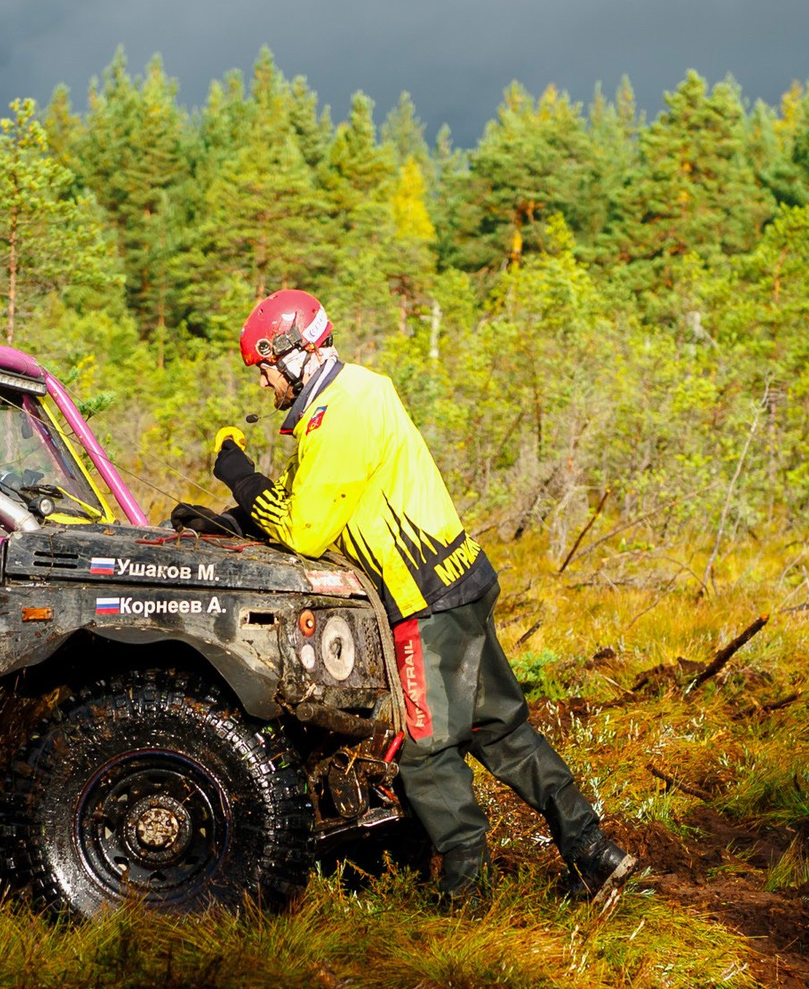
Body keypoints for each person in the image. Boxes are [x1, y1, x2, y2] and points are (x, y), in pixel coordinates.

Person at [210, 288, 638, 899]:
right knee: (501, 729)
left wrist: (242, 478)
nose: (262, 383)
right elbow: (322, 499)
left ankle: (468, 888)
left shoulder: (337, 415)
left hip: (423, 602)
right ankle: (594, 850)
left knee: (427, 752)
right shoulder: (360, 391)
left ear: (296, 351)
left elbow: (305, 529)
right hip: (460, 581)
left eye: (263, 367)